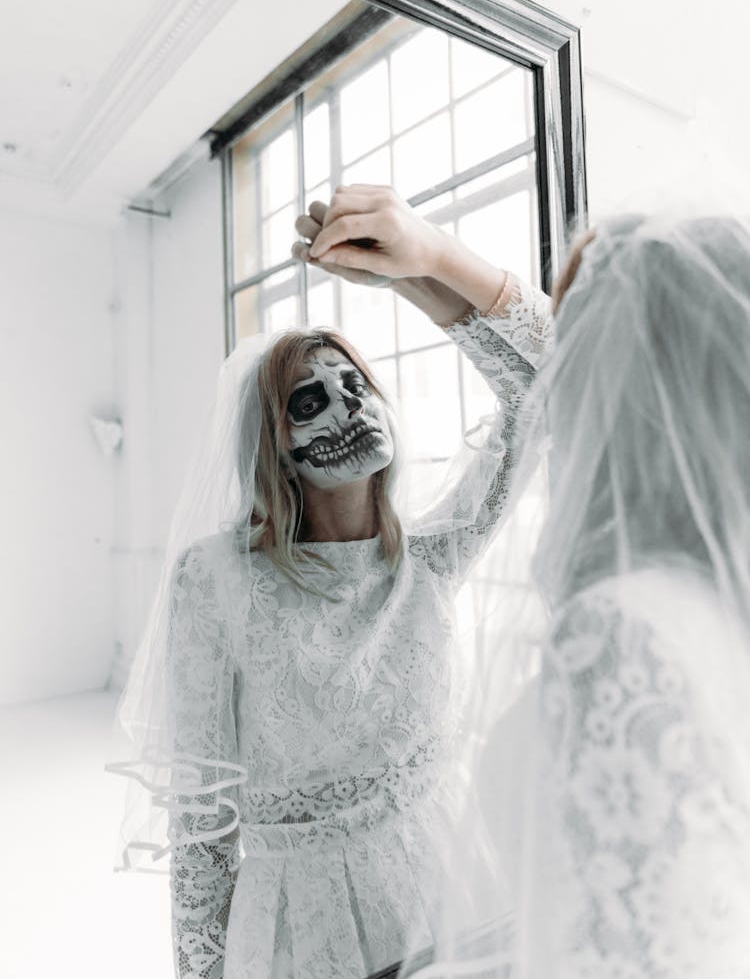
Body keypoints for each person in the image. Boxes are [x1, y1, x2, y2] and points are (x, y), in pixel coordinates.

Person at [109, 184, 553, 979]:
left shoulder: (430, 557)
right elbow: (202, 824)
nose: (347, 405)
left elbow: (545, 391)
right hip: (305, 933)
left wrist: (419, 273)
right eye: (310, 400)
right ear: (276, 448)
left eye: (356, 384)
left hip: (457, 888)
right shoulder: (215, 582)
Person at [415, 213, 750, 979]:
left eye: (572, 355)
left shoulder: (623, 633)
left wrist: (433, 262)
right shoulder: (724, 593)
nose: (557, 391)